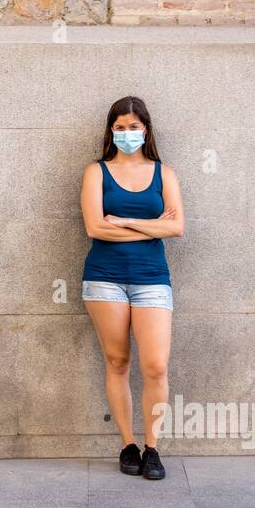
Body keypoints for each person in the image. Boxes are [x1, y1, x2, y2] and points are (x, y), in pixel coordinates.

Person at [79, 96, 184, 481]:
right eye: (120, 127)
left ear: (146, 130)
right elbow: (95, 228)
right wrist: (152, 227)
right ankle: (128, 445)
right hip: (104, 278)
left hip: (152, 279)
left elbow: (177, 227)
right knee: (118, 361)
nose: (127, 133)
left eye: (134, 127)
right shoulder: (96, 173)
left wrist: (122, 221)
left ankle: (152, 448)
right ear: (111, 131)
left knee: (156, 366)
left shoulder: (164, 174)